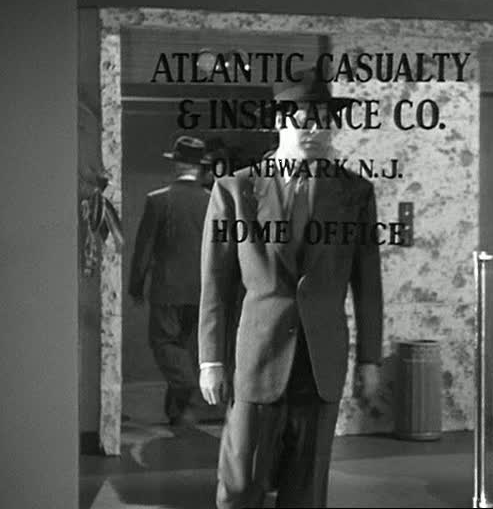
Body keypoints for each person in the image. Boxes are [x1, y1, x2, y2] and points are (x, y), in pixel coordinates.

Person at [198, 68, 384, 508]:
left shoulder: (355, 192)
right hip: (258, 355)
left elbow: (368, 283)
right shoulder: (235, 189)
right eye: (306, 120)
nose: (317, 130)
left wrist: (370, 358)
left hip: (321, 361)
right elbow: (215, 282)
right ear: (279, 121)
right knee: (241, 484)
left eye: (325, 120)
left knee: (306, 490)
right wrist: (211, 359)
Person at [129, 135, 223, 426]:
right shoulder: (213, 201)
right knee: (188, 347)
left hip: (167, 290)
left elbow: (144, 248)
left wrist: (136, 285)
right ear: (200, 167)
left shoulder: (158, 201)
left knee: (166, 343)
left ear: (177, 165)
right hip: (204, 292)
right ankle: (176, 413)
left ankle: (187, 388)